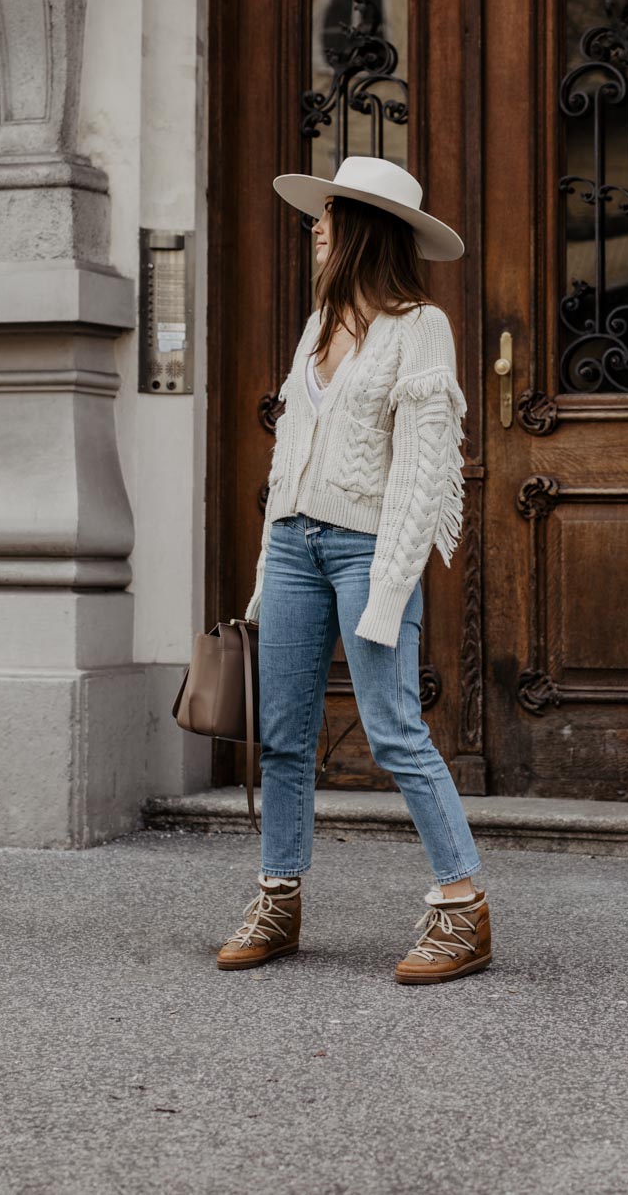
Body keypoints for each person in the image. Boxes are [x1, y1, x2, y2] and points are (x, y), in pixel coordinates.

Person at [217, 156, 490, 985]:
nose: (315, 224)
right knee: (284, 739)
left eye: (327, 212)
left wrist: (391, 589)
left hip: (368, 549)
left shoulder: (420, 328)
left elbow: (421, 474)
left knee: (395, 730)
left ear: (362, 227)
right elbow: (287, 453)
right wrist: (268, 572)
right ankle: (278, 900)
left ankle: (463, 909)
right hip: (296, 547)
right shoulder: (319, 324)